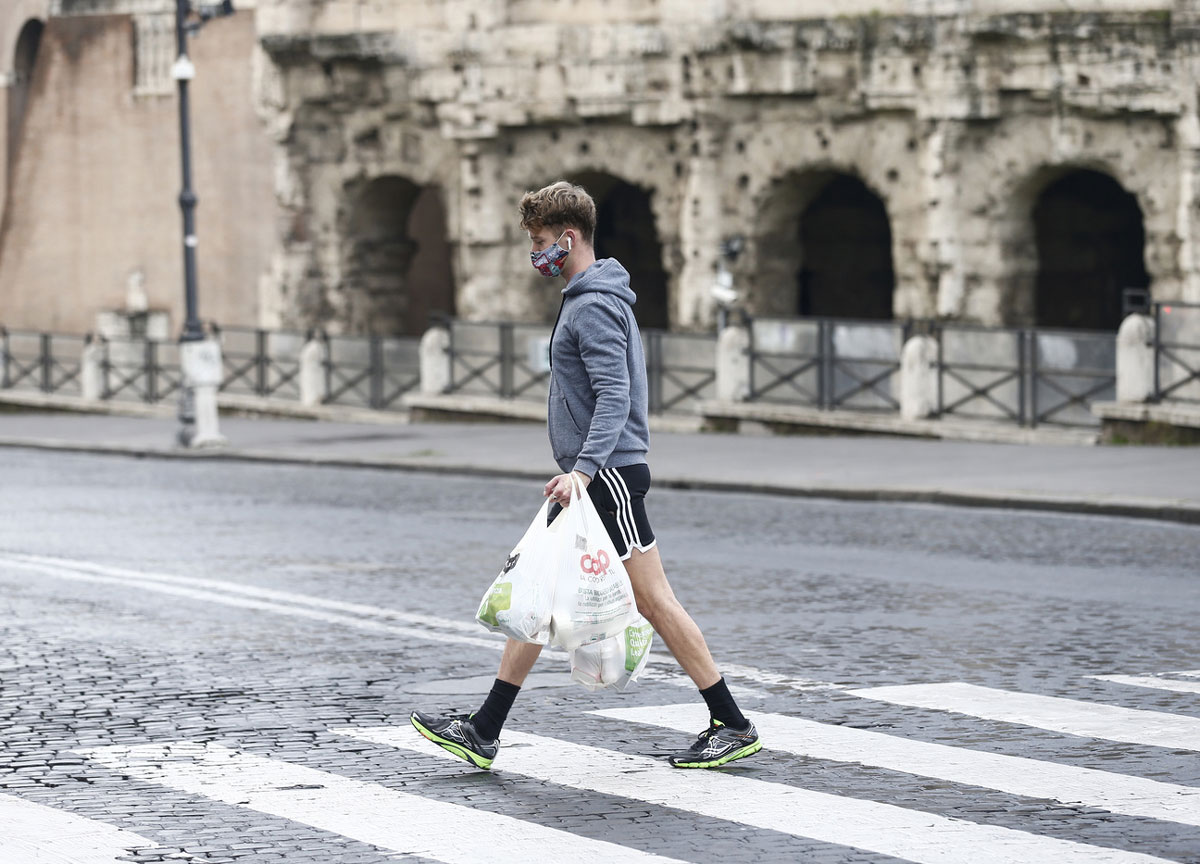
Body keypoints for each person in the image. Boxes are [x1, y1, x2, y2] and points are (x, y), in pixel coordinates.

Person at [411, 180, 761, 769]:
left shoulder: (593, 303)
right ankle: (485, 727)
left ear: (568, 238)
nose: (536, 253)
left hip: (607, 478)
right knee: (539, 592)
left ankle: (730, 721)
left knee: (654, 600)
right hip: (593, 477)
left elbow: (613, 394)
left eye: (542, 241)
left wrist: (585, 469)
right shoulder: (587, 296)